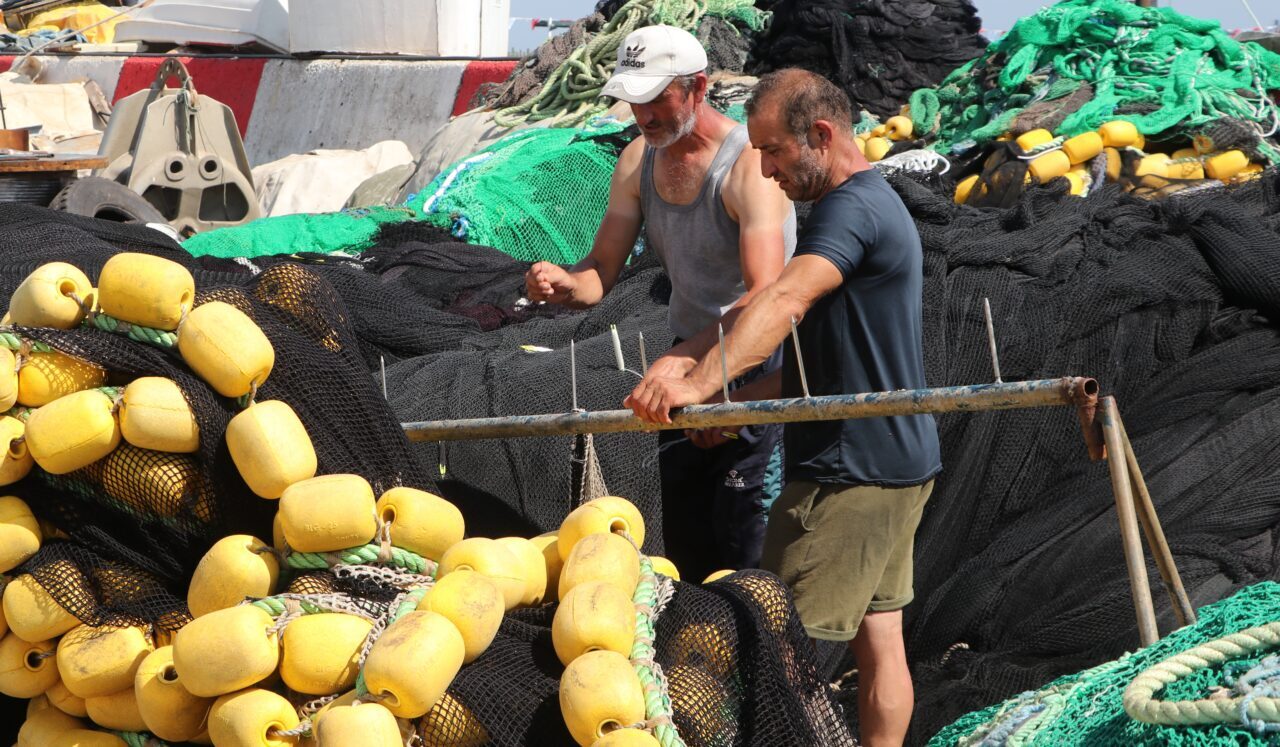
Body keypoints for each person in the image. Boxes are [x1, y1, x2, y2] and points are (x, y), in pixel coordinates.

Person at [624, 68, 941, 747]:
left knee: (774, 646)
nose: (765, 172)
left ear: (820, 135)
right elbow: (824, 364)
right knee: (880, 642)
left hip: (849, 475)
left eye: (772, 151)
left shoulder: (848, 209)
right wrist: (740, 404)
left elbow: (784, 298)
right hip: (902, 458)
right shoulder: (875, 204)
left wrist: (698, 381)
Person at [524, 25, 796, 582]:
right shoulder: (637, 162)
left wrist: (711, 378)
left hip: (757, 363)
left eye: (656, 99)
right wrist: (563, 284)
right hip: (686, 360)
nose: (642, 115)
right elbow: (600, 272)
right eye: (633, 101)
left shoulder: (748, 167)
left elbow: (764, 298)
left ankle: (760, 659)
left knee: (749, 538)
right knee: (687, 534)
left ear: (697, 88)